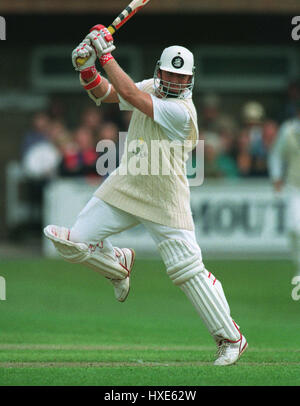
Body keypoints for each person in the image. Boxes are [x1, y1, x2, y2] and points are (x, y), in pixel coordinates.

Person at [44, 24, 247, 366]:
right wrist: (86, 67)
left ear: (191, 80)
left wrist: (105, 53)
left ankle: (231, 338)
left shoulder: (182, 112)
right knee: (74, 243)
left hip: (164, 195)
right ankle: (117, 264)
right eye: (170, 74)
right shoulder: (151, 87)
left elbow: (135, 98)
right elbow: (107, 93)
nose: (175, 82)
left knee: (187, 271)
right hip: (127, 182)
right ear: (159, 71)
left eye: (182, 78)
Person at [268, 99, 300, 276]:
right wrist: (276, 177)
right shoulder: (287, 131)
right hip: (295, 187)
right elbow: (276, 155)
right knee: (294, 229)